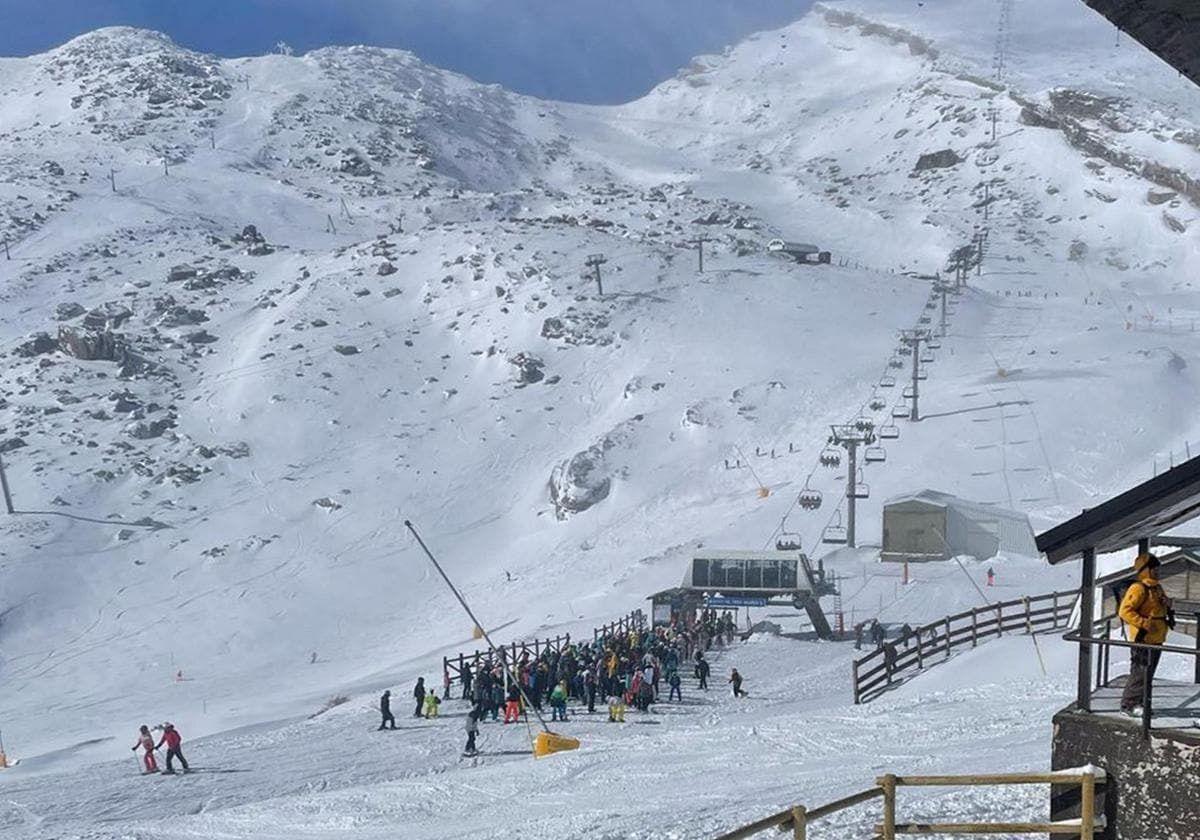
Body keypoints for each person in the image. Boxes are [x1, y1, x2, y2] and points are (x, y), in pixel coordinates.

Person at [1119, 553, 1174, 716]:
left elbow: (1156, 607)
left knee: (1148, 673)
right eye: (1154, 568)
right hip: (1143, 638)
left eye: (1158, 568)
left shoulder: (1156, 588)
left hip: (1156, 637)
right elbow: (1124, 611)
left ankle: (1141, 703)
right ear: (1145, 570)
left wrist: (1167, 603)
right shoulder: (1138, 588)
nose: (1157, 571)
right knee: (1139, 673)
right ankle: (1128, 705)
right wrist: (1143, 623)